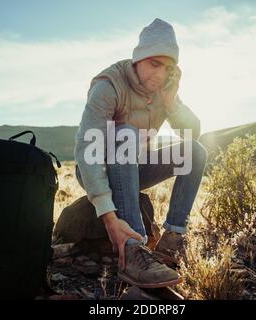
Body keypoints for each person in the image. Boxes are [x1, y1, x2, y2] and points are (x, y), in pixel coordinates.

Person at [74, 18, 207, 288]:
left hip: (133, 168)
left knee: (195, 150)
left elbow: (194, 131)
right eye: (154, 64)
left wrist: (171, 105)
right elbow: (88, 150)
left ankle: (171, 241)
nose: (159, 74)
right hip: (96, 168)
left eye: (167, 68)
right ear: (139, 58)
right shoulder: (109, 85)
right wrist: (109, 217)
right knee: (127, 134)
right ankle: (134, 250)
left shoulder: (164, 90)